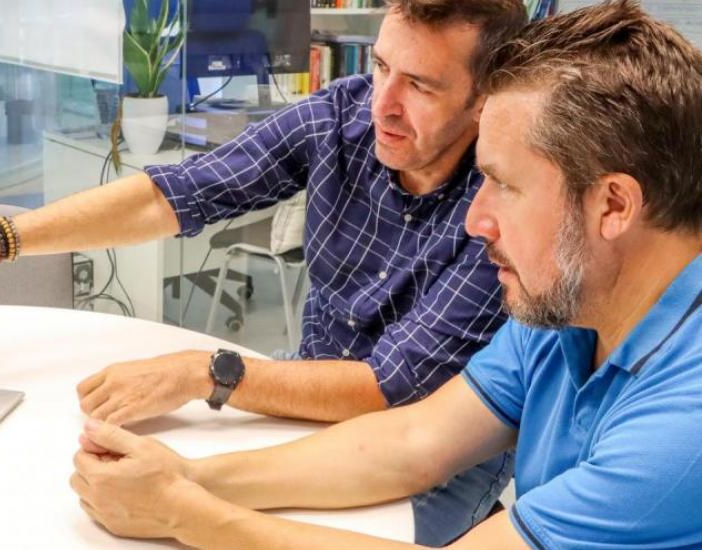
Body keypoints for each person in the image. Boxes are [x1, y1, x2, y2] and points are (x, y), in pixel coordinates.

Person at [0, 1, 528, 544]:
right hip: (303, 403)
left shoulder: (500, 203)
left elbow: (392, 392)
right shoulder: (342, 114)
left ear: (484, 98)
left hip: (434, 454)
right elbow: (177, 193)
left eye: (420, 86)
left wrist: (208, 371)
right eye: (380, 67)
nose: (383, 104)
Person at [70, 1, 702, 547]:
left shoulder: (684, 426)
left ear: (613, 206)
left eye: (504, 186)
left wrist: (188, 517)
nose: (477, 219)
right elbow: (413, 441)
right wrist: (189, 477)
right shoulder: (574, 300)